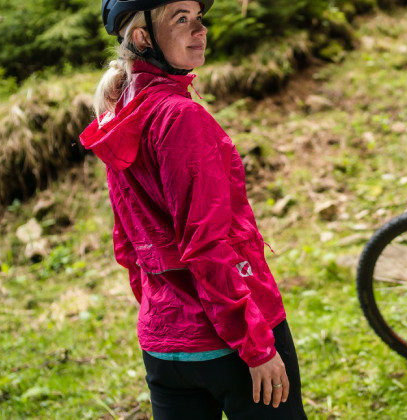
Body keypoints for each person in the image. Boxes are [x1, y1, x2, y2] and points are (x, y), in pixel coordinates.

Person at [79, 1, 307, 418]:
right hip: (233, 343)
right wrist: (256, 348)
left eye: (199, 18)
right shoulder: (180, 117)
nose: (200, 30)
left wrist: (162, 310)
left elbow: (127, 243)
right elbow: (205, 245)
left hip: (163, 345)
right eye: (181, 19)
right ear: (143, 37)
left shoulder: (121, 117)